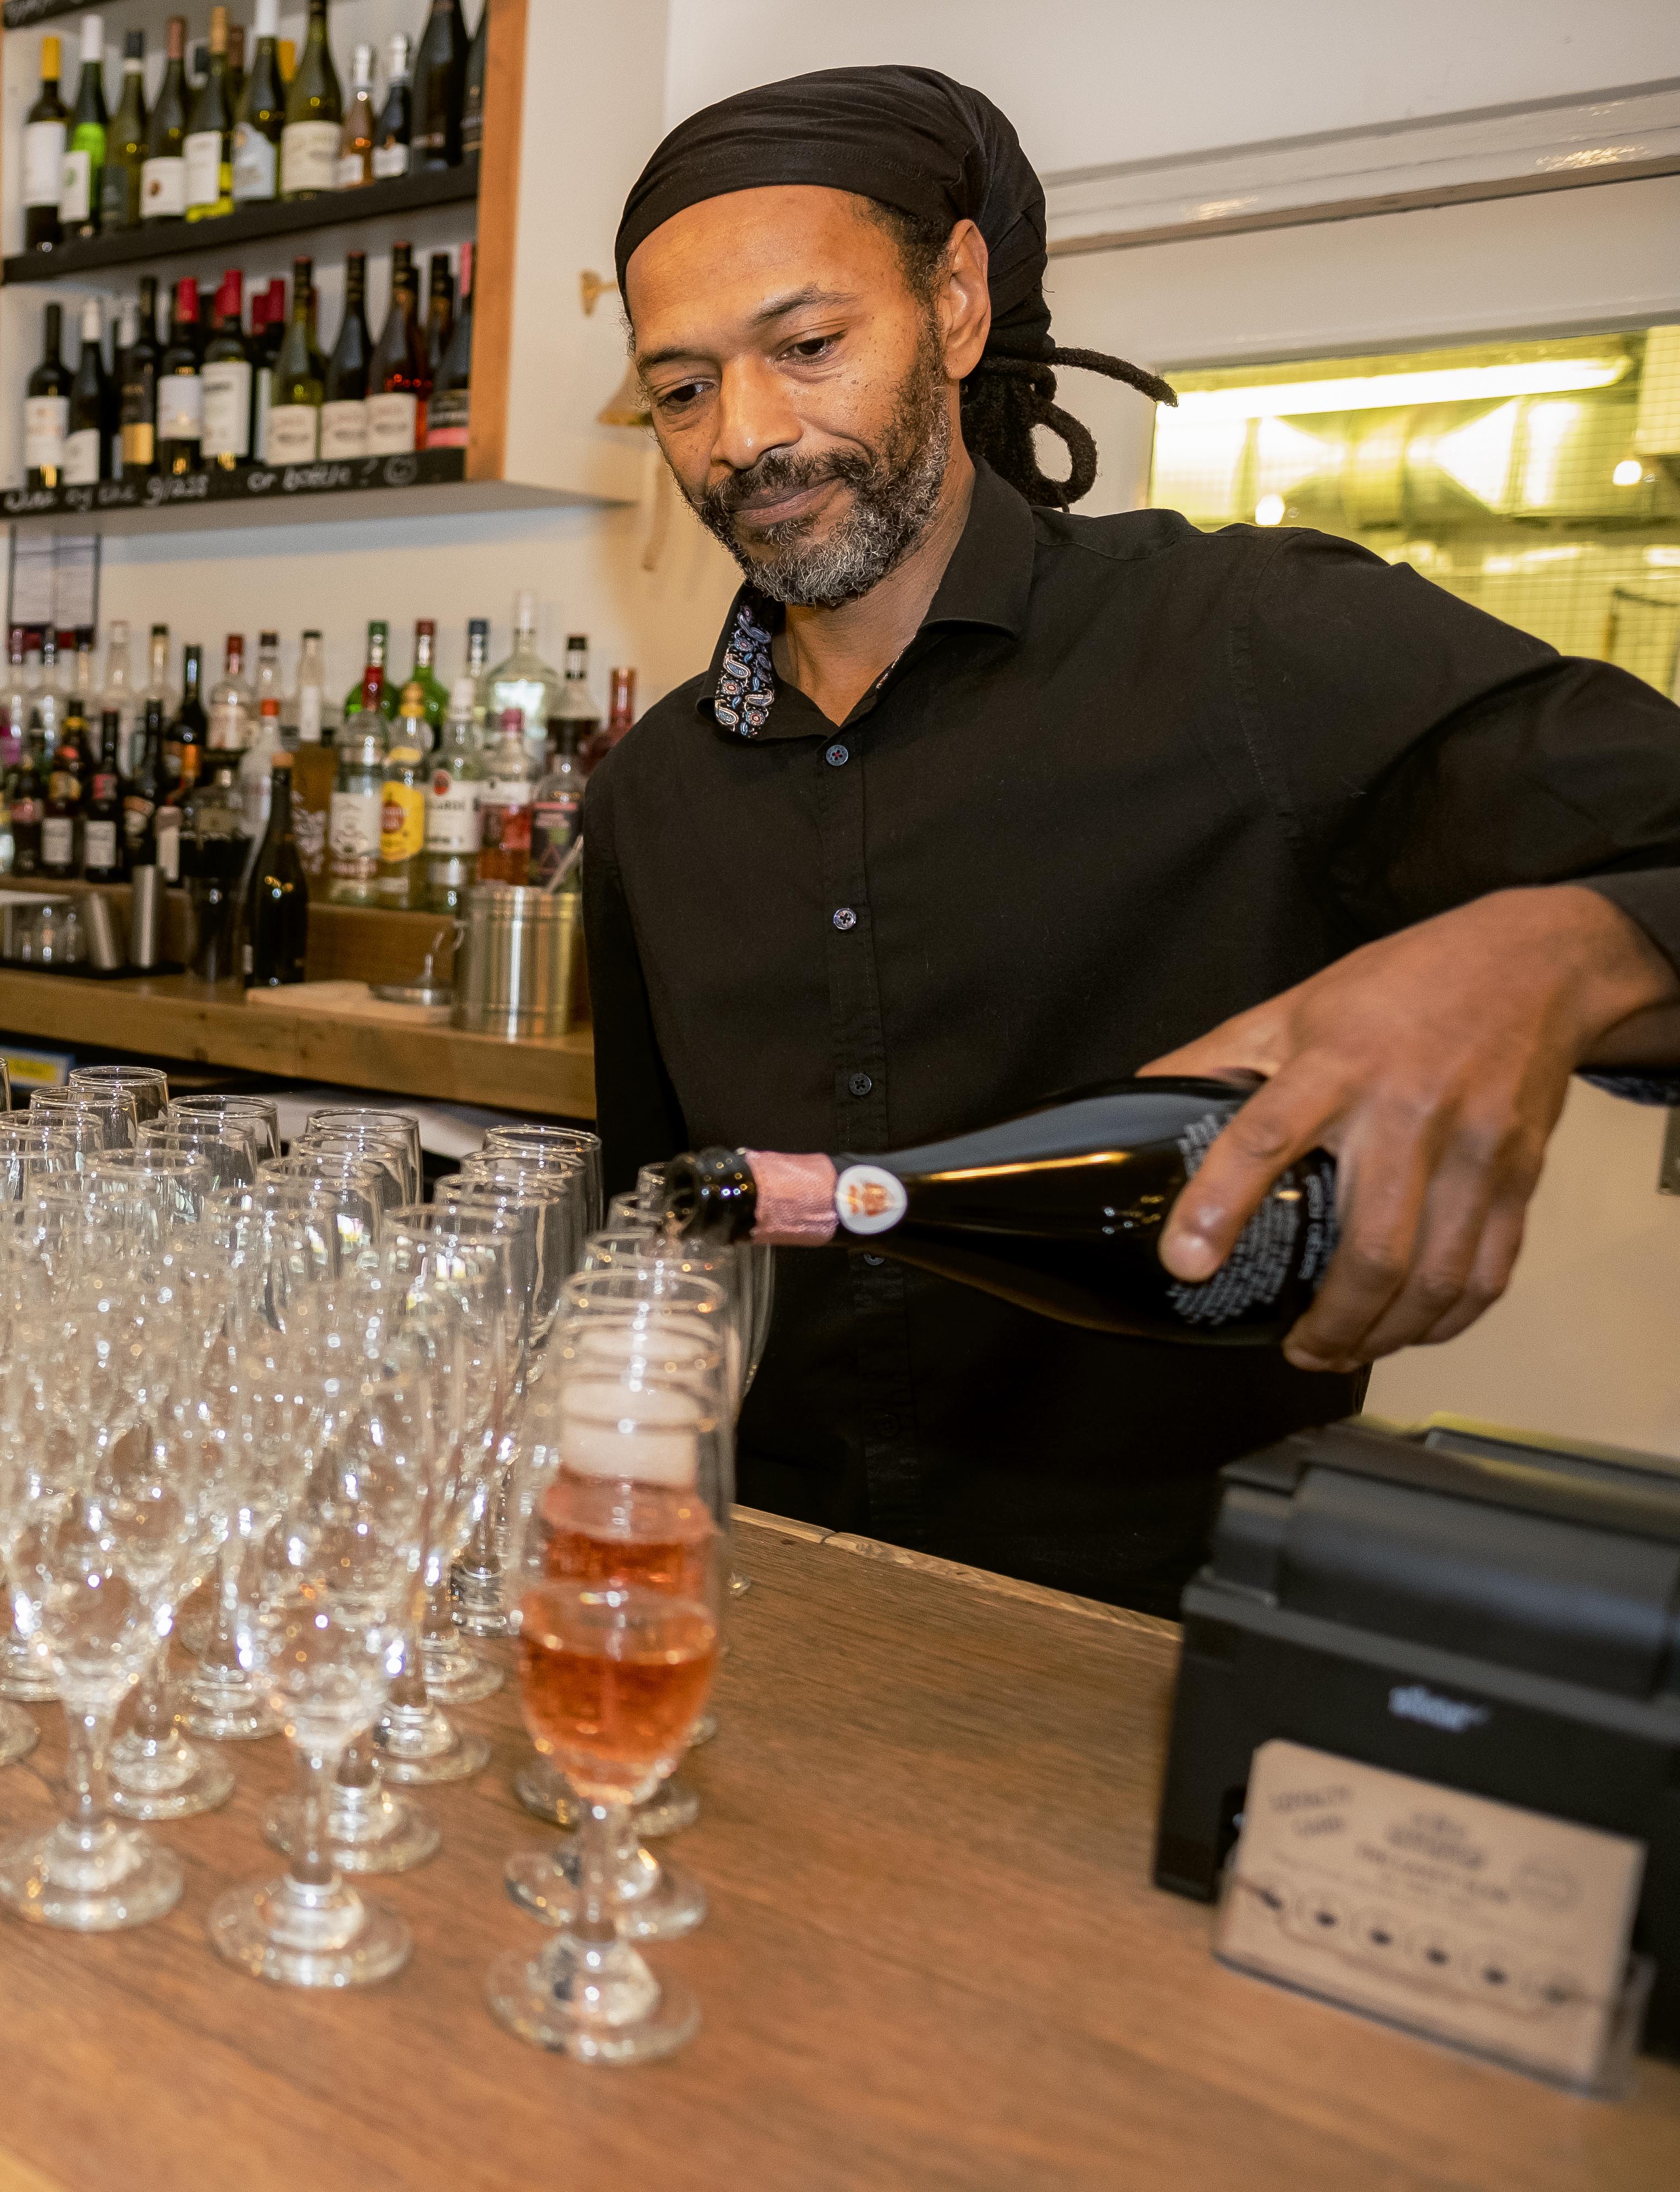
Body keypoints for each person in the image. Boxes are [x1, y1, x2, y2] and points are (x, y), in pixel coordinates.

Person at [582, 66, 1680, 1615]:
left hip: (1166, 1636)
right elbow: (659, 1241)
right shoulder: (653, 792)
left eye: (808, 346)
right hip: (768, 1608)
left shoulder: (1252, 644)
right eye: (684, 388)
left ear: (956, 302)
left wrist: (1552, 959)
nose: (747, 436)